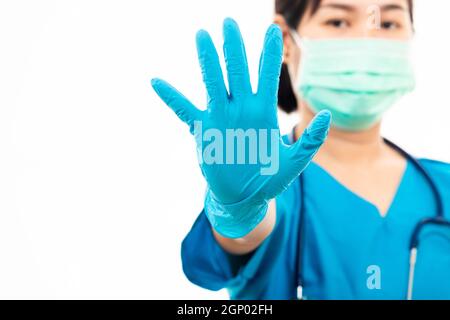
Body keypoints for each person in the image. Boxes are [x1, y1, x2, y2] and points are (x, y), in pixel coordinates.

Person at [151, 0, 450, 299]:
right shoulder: (268, 177)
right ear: (286, 41)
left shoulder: (443, 186)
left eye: (387, 23)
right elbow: (246, 235)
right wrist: (240, 209)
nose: (366, 38)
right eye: (338, 22)